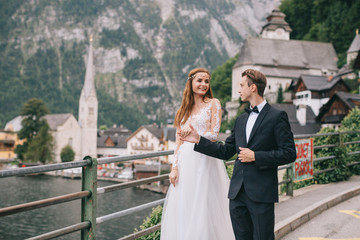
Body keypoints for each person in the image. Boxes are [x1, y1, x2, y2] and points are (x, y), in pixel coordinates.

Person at [179, 69, 296, 240]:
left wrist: (256, 156)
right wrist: (198, 140)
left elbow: (289, 153)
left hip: (261, 194)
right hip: (237, 195)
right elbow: (226, 151)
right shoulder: (241, 120)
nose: (239, 90)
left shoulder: (277, 116)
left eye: (241, 86)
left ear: (253, 87)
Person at [160, 68, 235, 240]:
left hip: (205, 158)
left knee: (204, 204)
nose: (203, 84)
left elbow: (214, 135)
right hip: (186, 162)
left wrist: (196, 136)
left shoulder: (214, 103)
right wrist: (174, 167)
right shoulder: (183, 110)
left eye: (206, 81)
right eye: (200, 80)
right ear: (191, 82)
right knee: (185, 203)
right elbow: (178, 143)